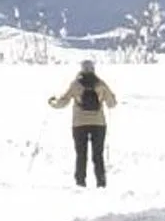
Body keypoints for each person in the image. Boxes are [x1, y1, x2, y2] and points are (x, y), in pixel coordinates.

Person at [48, 59, 116, 187]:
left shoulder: (75, 85)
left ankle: (80, 182)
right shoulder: (101, 84)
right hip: (98, 124)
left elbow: (63, 102)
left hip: (79, 124)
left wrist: (52, 102)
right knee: (98, 155)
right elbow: (112, 104)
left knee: (81, 154)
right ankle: (101, 183)